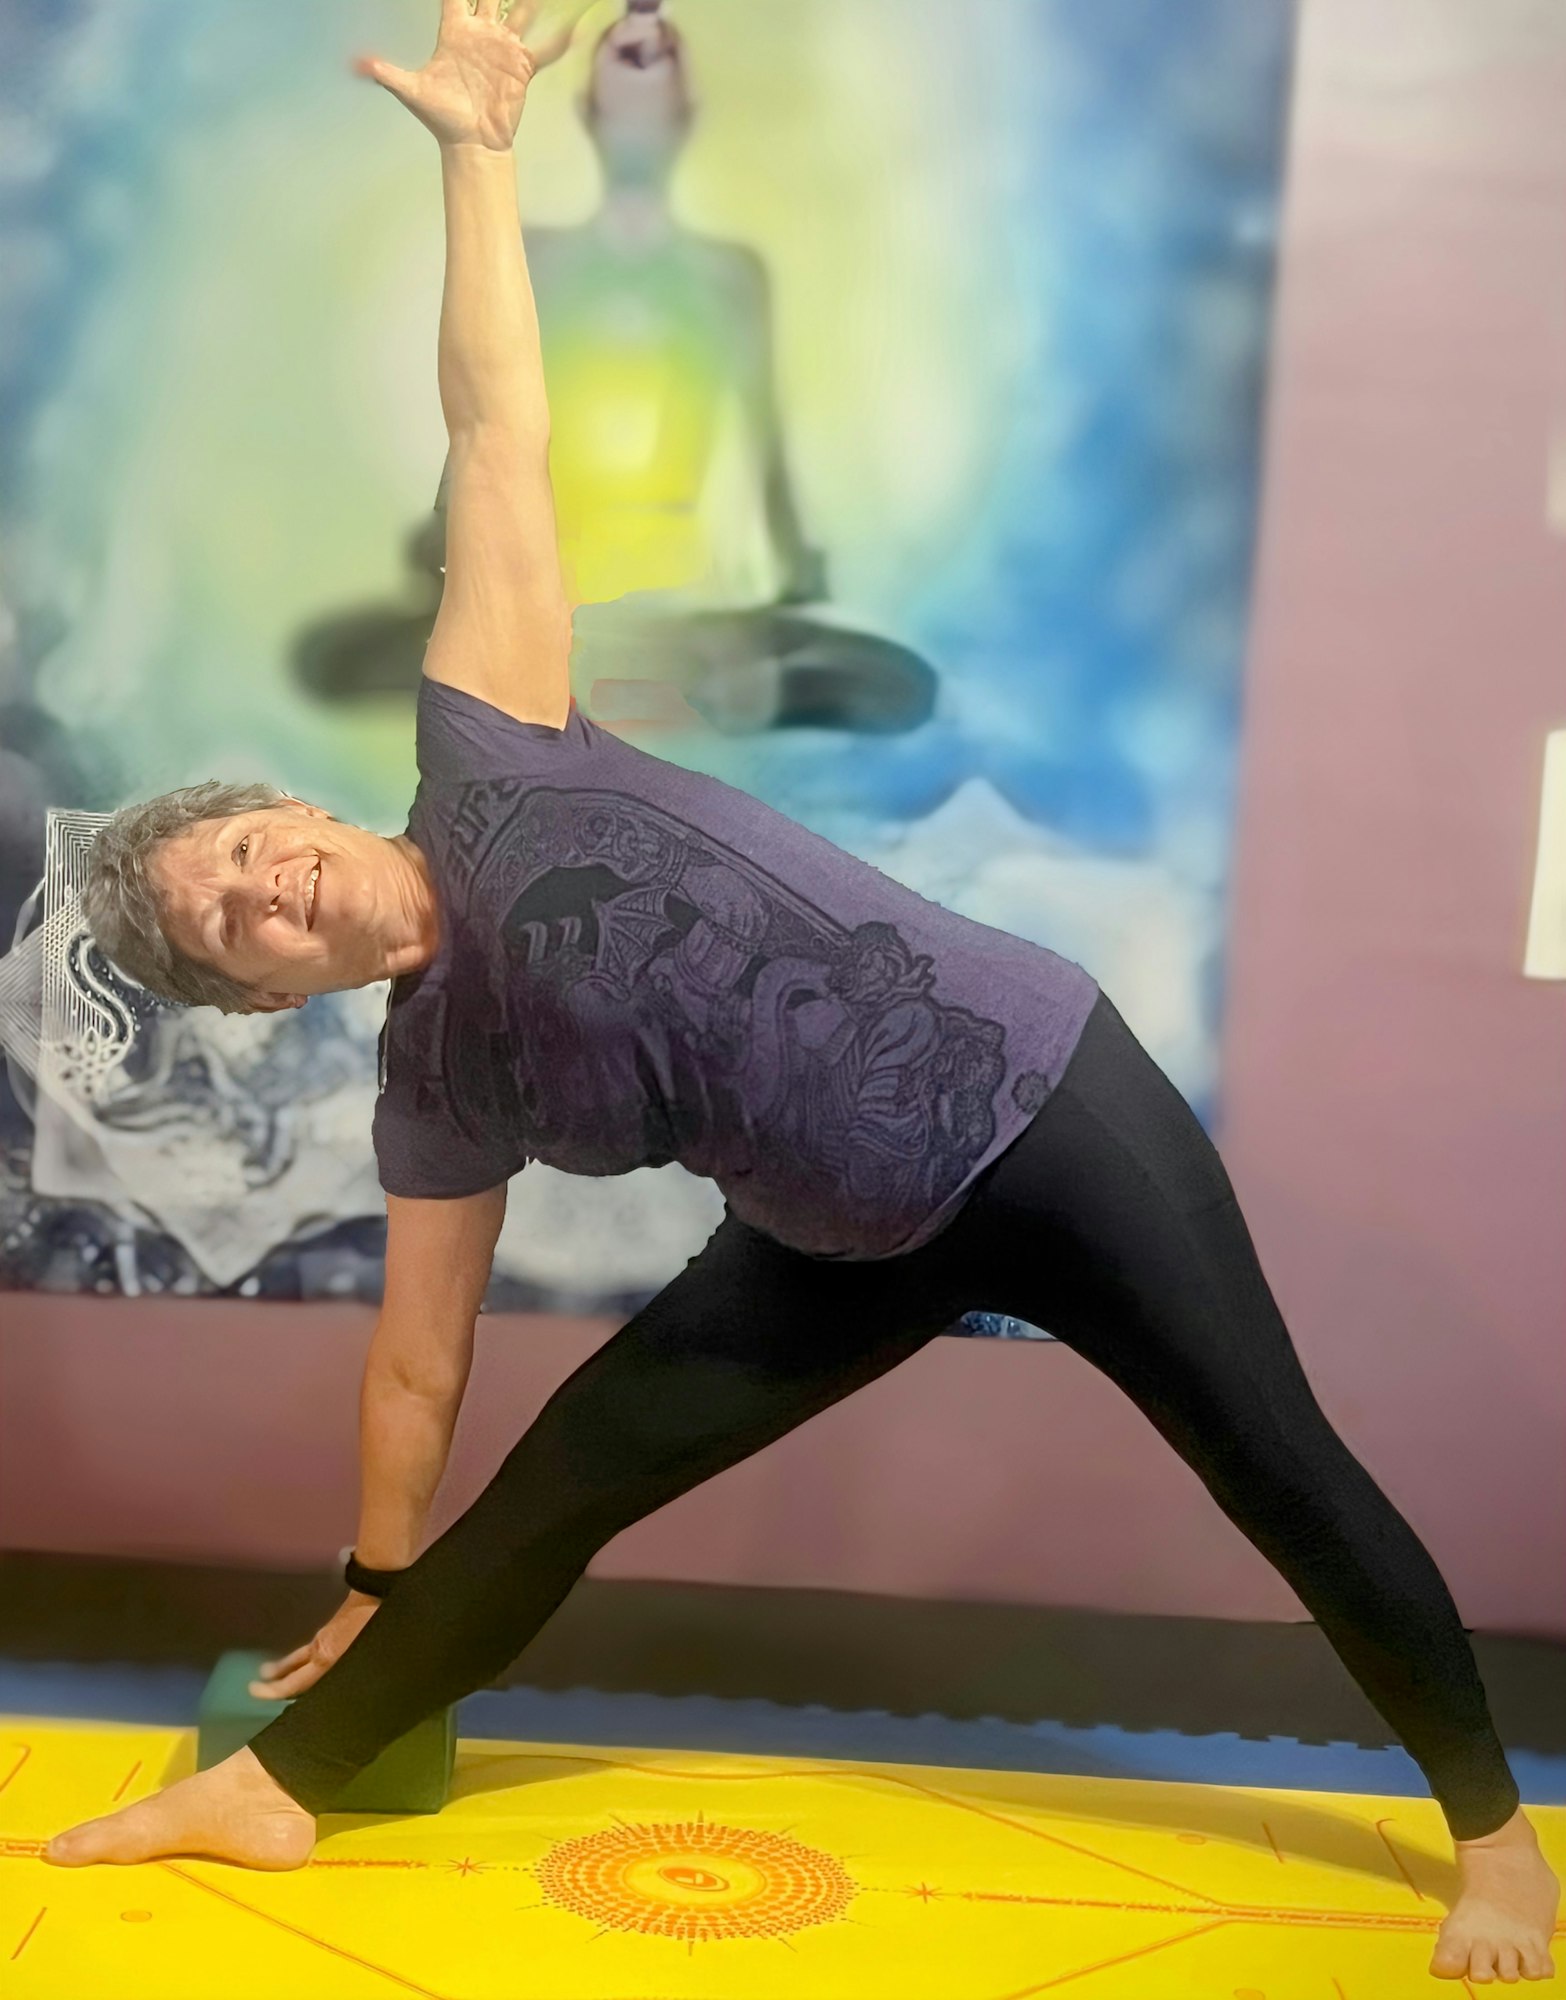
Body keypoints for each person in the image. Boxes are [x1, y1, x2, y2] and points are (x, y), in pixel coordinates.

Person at [44, 2, 1559, 1982]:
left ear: (295, 806)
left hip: (1034, 1100)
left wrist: (479, 152)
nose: (261, 885)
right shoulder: (439, 1081)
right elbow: (418, 1367)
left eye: (246, 845)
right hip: (838, 1235)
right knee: (570, 1471)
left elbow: (497, 422)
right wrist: (367, 1580)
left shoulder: (490, 735)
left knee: (1275, 1461)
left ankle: (1497, 1835)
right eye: (228, 920)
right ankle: (282, 1782)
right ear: (260, 989)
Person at [292, 0, 937, 736]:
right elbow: (481, 406)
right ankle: (642, 690)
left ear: (685, 111)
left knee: (896, 685)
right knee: (331, 658)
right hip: (542, 588)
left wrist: (790, 573)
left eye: (659, 48)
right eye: (623, 50)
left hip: (680, 602)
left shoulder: (730, 277)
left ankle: (619, 688)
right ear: (592, 111)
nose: (644, 26)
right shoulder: (537, 255)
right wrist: (449, 547)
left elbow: (765, 445)